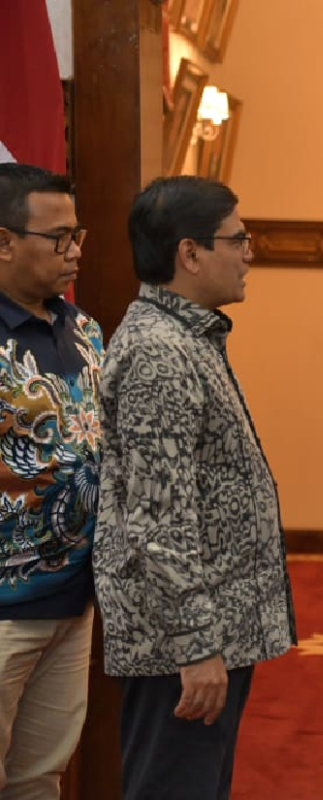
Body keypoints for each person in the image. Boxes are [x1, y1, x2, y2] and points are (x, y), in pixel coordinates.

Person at [93, 176, 295, 800]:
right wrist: (198, 646)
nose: (249, 252)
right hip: (178, 646)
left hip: (202, 634)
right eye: (237, 239)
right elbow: (160, 522)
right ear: (190, 254)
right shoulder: (160, 352)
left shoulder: (186, 337)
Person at [0, 163, 100, 799]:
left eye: (77, 236)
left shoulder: (83, 328)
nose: (73, 253)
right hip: (4, 610)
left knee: (40, 779)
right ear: (4, 241)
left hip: (74, 605)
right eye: (57, 238)